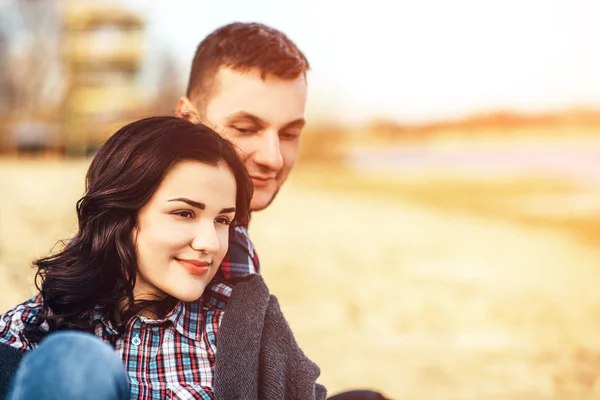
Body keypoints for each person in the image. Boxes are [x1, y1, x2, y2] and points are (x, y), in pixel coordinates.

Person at [0, 116, 326, 400]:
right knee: (76, 359)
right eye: (184, 213)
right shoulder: (33, 324)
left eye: (222, 220)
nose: (210, 243)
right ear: (120, 215)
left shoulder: (244, 325)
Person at [175, 22, 388, 400]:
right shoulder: (149, 233)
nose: (273, 158)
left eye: (289, 134)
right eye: (245, 127)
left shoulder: (235, 236)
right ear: (189, 121)